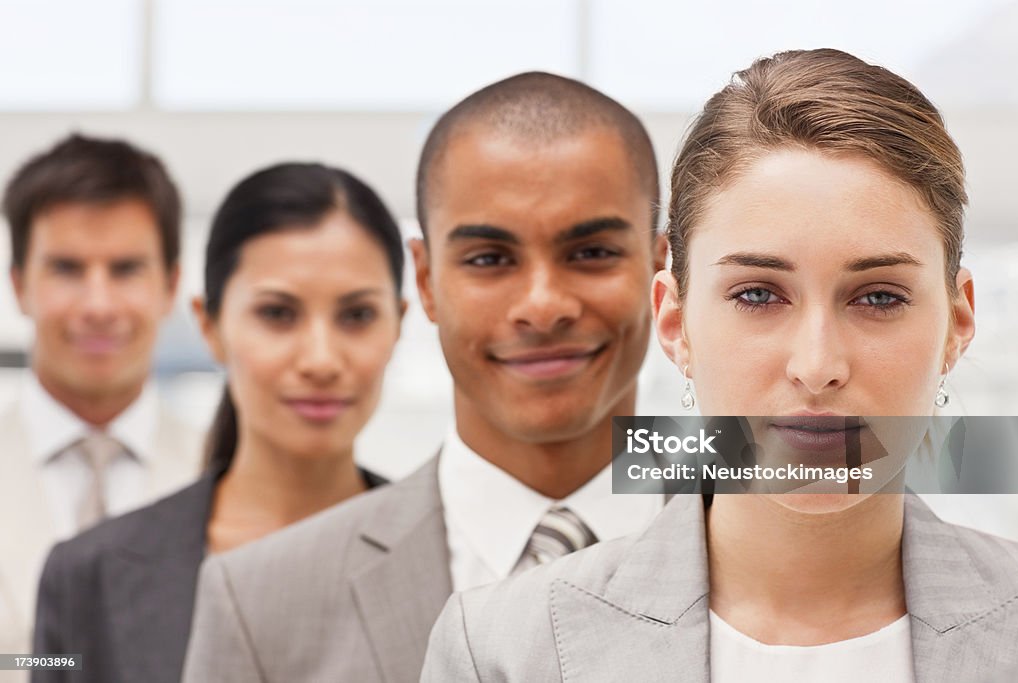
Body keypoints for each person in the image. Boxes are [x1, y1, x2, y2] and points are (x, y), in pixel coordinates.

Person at [421, 49, 1018, 682]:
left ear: (957, 323)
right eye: (758, 295)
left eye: (878, 297)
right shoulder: (503, 649)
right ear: (675, 322)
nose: (817, 366)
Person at [181, 72, 666, 682]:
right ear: (428, 279)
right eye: (490, 259)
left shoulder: (780, 514)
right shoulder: (259, 601)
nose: (543, 305)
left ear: (658, 264)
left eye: (591, 252)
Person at [30, 162, 402, 683]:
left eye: (357, 315)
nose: (321, 360)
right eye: (278, 313)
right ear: (209, 324)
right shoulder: (91, 571)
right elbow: (48, 663)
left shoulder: (450, 559)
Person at [0, 134, 202, 670]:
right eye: (67, 269)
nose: (98, 305)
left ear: (170, 285)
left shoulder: (226, 474)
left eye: (125, 269)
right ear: (20, 285)